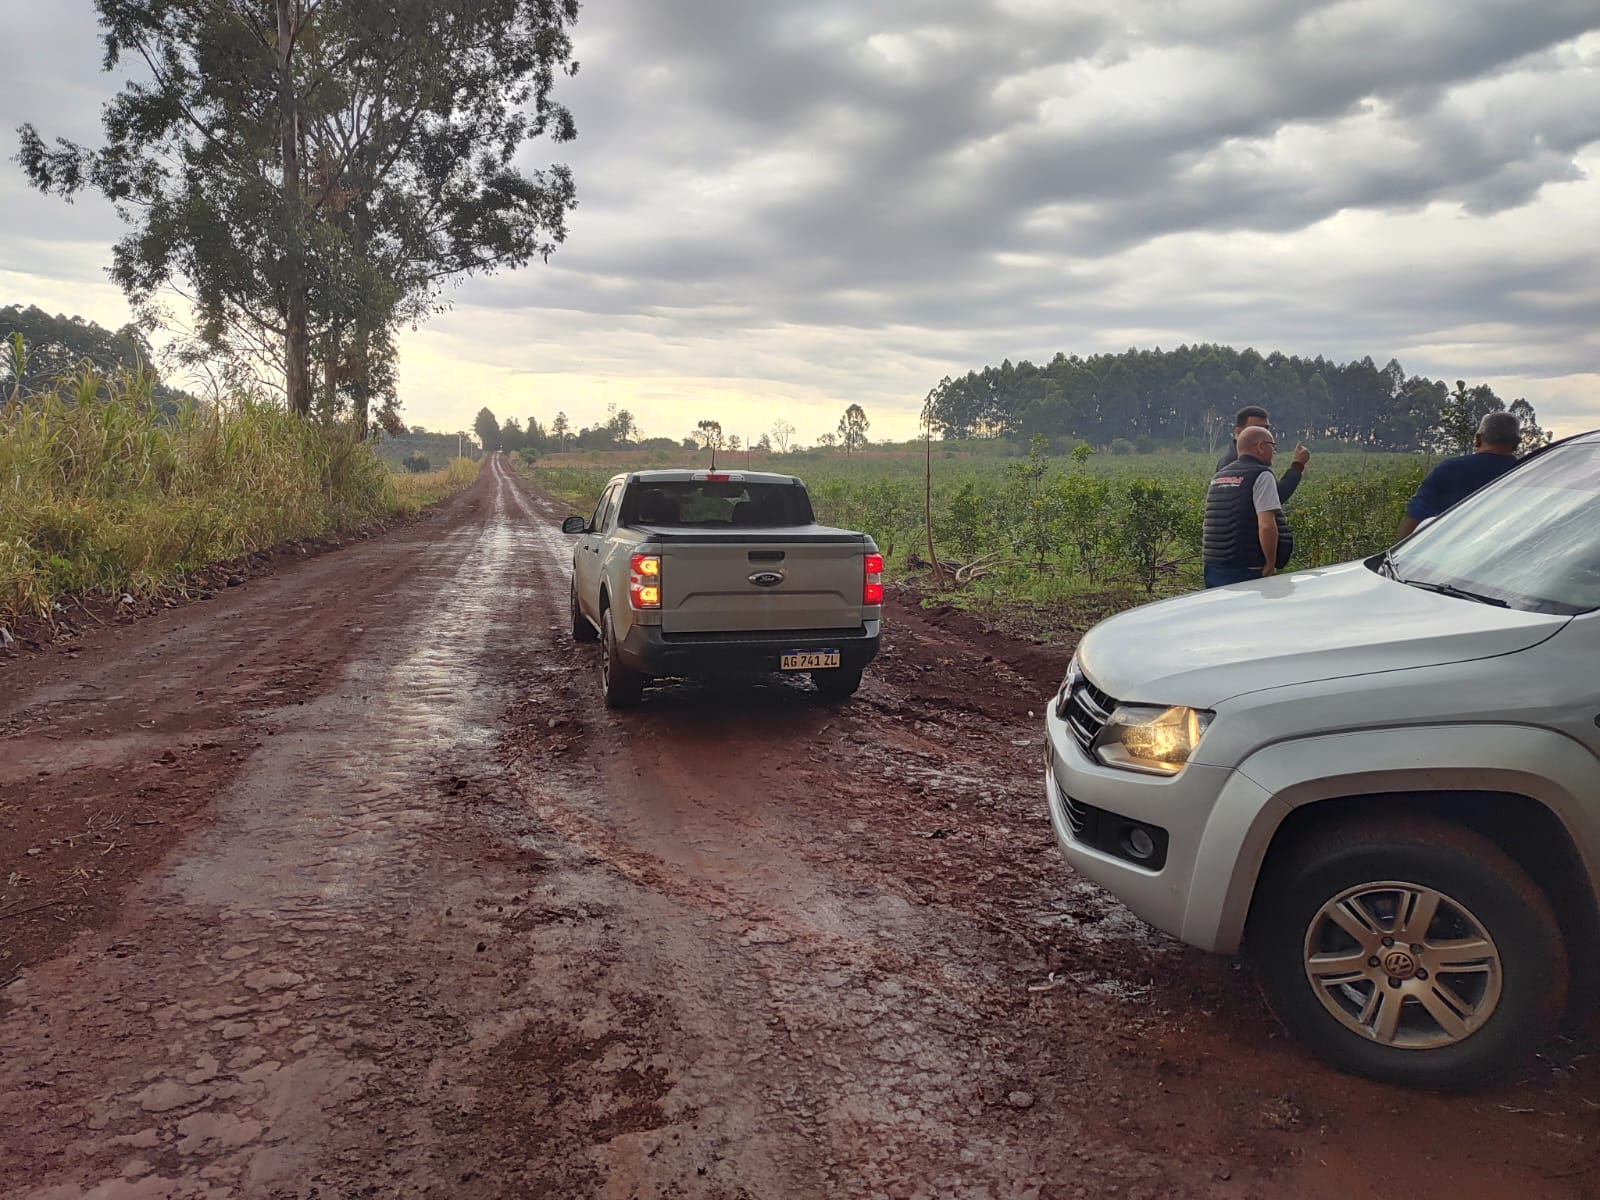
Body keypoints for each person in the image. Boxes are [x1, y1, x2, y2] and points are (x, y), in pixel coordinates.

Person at [1397, 412, 1522, 538]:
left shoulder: (1448, 469)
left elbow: (1415, 519)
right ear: (1517, 443)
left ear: (1478, 439)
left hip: (1447, 547)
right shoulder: (1523, 473)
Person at [1203, 425, 1294, 588]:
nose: (1274, 452)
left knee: (1221, 605)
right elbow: (1266, 525)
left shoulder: (1219, 476)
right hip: (1246, 567)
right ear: (1260, 446)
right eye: (1272, 446)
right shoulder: (1262, 475)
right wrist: (1270, 562)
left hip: (1213, 564)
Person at [1217, 406, 1310, 502]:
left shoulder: (1242, 460)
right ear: (1238, 432)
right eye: (1257, 428)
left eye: (1266, 429)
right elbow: (1275, 497)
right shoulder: (1233, 463)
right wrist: (1297, 466)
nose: (1264, 433)